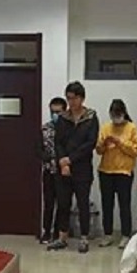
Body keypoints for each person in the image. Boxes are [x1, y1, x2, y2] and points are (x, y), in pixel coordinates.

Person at [48, 81, 100, 254]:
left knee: (83, 203)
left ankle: (84, 237)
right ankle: (62, 237)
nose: (71, 102)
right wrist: (63, 161)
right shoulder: (63, 118)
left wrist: (70, 159)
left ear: (82, 98)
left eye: (74, 98)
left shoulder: (91, 117)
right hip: (64, 167)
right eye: (68, 98)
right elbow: (58, 142)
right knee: (63, 203)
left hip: (82, 167)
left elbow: (90, 143)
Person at [96, 99, 137, 249]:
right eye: (113, 115)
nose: (115, 118)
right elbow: (98, 150)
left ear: (123, 113)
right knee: (107, 204)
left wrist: (120, 142)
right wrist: (103, 144)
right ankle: (107, 234)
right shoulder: (105, 127)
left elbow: (136, 151)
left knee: (124, 204)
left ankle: (125, 235)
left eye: (118, 115)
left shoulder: (132, 128)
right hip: (105, 171)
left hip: (124, 172)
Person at [38, 97, 67, 243]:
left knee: (62, 204)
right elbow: (37, 148)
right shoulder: (44, 128)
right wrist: (44, 156)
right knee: (48, 203)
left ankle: (58, 232)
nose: (55, 115)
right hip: (48, 171)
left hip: (63, 172)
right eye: (52, 111)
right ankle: (46, 231)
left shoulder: (69, 129)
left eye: (58, 112)